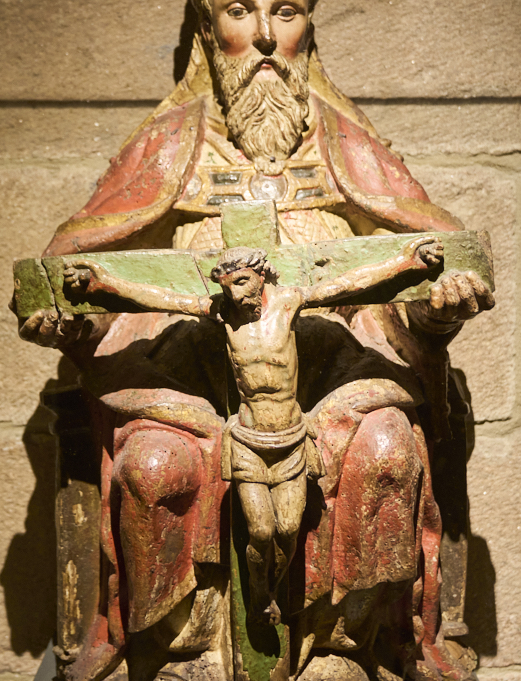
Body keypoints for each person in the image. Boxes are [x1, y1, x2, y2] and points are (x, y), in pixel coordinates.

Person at [18, 0, 494, 681]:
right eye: (242, 11)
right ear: (208, 28)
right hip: (183, 379)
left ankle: (339, 652)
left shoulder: (349, 150)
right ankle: (185, 657)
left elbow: (410, 274)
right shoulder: (169, 149)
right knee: (156, 467)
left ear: (310, 25)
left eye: (286, 11)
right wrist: (70, 321)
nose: (267, 35)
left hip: (336, 375)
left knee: (385, 449)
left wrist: (436, 312)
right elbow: (88, 274)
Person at [64, 237, 444, 631]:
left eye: (242, 282)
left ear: (261, 277)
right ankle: (261, 599)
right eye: (227, 286)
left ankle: (276, 590)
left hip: (291, 440)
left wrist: (407, 262)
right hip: (247, 442)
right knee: (260, 531)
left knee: (288, 528)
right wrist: (103, 282)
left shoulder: (288, 303)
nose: (235, 293)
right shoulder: (222, 313)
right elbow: (160, 297)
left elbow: (348, 284)